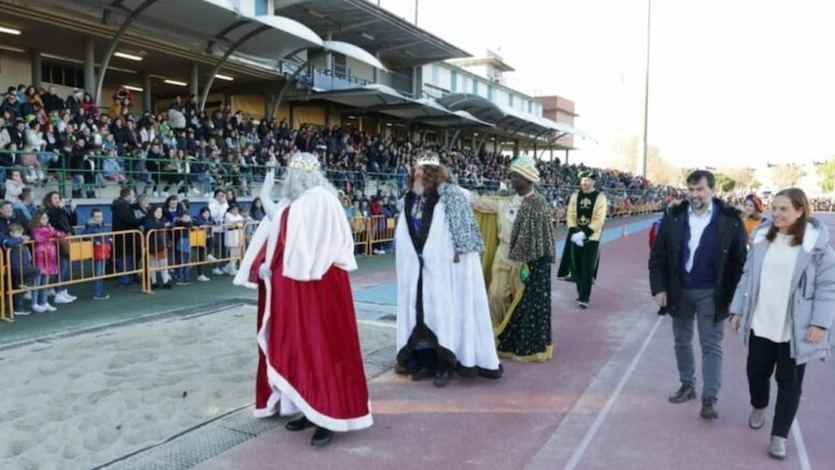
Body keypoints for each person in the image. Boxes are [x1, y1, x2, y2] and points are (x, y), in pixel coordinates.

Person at [234, 152, 371, 447]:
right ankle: (309, 407)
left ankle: (329, 414)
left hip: (322, 288)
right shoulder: (298, 201)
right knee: (302, 346)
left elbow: (288, 226)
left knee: (325, 348)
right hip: (301, 287)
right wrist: (263, 266)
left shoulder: (320, 199)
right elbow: (279, 236)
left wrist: (267, 198)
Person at [729, 188, 835, 459]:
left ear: (800, 211)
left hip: (794, 330)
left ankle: (779, 436)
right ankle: (759, 405)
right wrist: (738, 310)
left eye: (783, 209)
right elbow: (746, 277)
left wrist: (821, 323)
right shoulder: (762, 238)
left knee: (790, 384)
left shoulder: (817, 246)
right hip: (762, 322)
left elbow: (828, 287)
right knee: (756, 373)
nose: (776, 213)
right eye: (774, 208)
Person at [395, 152, 502, 386]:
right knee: (419, 315)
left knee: (442, 314)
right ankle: (424, 363)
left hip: (444, 269)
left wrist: (452, 259)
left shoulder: (451, 195)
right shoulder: (410, 197)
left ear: (433, 173)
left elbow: (466, 237)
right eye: (415, 169)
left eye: (422, 170)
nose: (416, 173)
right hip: (416, 269)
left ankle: (445, 365)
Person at [648, 170, 748, 419]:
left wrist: (735, 298)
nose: (694, 195)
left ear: (712, 190)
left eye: (700, 189)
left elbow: (739, 262)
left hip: (712, 293)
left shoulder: (730, 220)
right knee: (681, 340)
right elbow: (658, 256)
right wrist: (659, 288)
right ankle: (687, 385)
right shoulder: (673, 216)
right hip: (679, 289)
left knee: (711, 344)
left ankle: (710, 397)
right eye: (691, 190)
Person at [472, 154, 556, 361]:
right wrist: (457, 192)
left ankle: (514, 337)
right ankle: (496, 335)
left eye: (517, 177)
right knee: (495, 296)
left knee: (519, 302)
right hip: (503, 255)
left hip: (524, 262)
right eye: (513, 176)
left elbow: (544, 239)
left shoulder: (539, 204)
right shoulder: (504, 202)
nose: (513, 180)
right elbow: (479, 204)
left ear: (528, 180)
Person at [558, 170, 608, 309]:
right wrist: (574, 232)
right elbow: (570, 215)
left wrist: (584, 234)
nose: (584, 183)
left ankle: (584, 297)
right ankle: (581, 293)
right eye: (582, 181)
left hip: (591, 238)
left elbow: (599, 219)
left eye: (587, 180)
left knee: (587, 267)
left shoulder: (600, 197)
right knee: (577, 267)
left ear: (593, 182)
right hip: (575, 236)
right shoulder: (575, 196)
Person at [31, 210, 65, 313]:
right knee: (37, 282)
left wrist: (52, 231)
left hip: (50, 257)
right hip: (40, 257)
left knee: (45, 282)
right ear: (37, 219)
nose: (45, 220)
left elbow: (61, 234)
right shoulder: (36, 229)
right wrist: (51, 232)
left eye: (46, 218)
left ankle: (44, 302)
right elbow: (39, 238)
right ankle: (34, 303)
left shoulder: (49, 228)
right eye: (42, 218)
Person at [3, 223, 39, 316]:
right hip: (16, 268)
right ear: (11, 233)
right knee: (36, 270)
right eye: (18, 233)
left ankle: (18, 308)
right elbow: (9, 243)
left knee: (18, 289)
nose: (21, 235)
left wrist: (24, 238)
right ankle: (27, 284)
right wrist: (21, 239)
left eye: (21, 232)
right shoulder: (10, 240)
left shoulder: (20, 241)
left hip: (22, 266)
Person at [111, 188, 144, 286]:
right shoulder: (121, 206)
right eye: (132, 194)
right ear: (128, 195)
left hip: (127, 238)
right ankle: (124, 280)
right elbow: (130, 220)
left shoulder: (122, 205)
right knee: (125, 259)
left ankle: (128, 278)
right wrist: (141, 220)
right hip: (123, 238)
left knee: (128, 258)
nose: (134, 197)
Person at [83, 209, 112, 300]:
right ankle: (97, 293)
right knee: (97, 273)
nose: (99, 218)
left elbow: (105, 236)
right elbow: (85, 236)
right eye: (97, 217)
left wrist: (109, 239)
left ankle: (100, 291)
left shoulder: (102, 225)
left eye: (100, 216)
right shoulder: (90, 226)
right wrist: (95, 242)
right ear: (92, 217)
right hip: (96, 252)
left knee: (101, 273)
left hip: (103, 251)